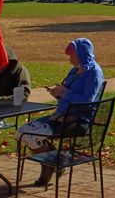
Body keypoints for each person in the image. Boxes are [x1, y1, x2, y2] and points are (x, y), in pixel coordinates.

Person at [16, 38, 104, 186]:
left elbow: (88, 102)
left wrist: (65, 93)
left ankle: (53, 163)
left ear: (82, 54)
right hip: (60, 116)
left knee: (28, 135)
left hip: (75, 121)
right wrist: (57, 93)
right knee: (21, 133)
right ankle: (54, 160)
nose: (70, 61)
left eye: (72, 57)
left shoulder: (93, 73)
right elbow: (67, 92)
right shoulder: (76, 70)